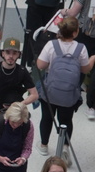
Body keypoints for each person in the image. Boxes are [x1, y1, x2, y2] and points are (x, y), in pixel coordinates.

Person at [35, 16, 92, 154]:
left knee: (47, 118)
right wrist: (92, 59)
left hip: (50, 91)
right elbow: (85, 69)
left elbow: (40, 65)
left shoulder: (51, 45)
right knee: (66, 120)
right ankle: (65, 146)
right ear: (75, 32)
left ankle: (43, 145)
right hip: (69, 92)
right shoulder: (81, 48)